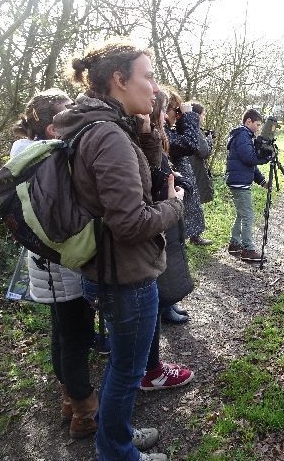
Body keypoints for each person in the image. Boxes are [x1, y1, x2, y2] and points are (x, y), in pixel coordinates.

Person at [53, 40, 184, 461]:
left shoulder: (100, 126)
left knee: (123, 368)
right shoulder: (107, 136)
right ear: (118, 80)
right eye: (147, 76)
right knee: (126, 371)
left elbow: (134, 184)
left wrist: (145, 134)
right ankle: (117, 452)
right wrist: (175, 205)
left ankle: (117, 436)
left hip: (106, 270)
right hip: (124, 275)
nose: (154, 86)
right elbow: (129, 222)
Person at [9, 89, 98, 439]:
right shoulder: (50, 159)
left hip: (41, 261)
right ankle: (85, 413)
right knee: (75, 337)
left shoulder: (23, 156)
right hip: (63, 262)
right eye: (67, 116)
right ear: (51, 129)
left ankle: (68, 401)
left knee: (62, 334)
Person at [140, 88, 194, 390]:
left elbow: (161, 170)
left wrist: (174, 181)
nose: (167, 115)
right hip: (156, 225)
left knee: (168, 272)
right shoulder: (135, 141)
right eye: (162, 110)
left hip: (165, 218)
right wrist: (171, 198)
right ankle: (151, 370)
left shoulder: (154, 139)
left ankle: (166, 306)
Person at [164, 87, 211, 247]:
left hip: (185, 179)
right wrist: (189, 119)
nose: (177, 115)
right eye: (175, 110)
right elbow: (191, 145)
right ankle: (181, 241)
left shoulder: (169, 131)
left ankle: (189, 238)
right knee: (183, 212)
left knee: (191, 209)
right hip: (176, 185)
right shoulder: (161, 132)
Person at [224, 109, 270, 262]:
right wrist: (265, 158)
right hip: (239, 182)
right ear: (248, 121)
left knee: (242, 214)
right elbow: (250, 158)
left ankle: (235, 244)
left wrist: (262, 181)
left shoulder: (243, 135)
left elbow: (249, 164)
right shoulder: (243, 135)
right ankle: (247, 249)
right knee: (248, 215)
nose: (258, 128)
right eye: (257, 124)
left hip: (238, 180)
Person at [188, 101, 215, 208]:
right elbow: (204, 152)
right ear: (197, 115)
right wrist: (209, 140)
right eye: (203, 115)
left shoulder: (184, 128)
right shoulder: (194, 129)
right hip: (194, 175)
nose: (204, 118)